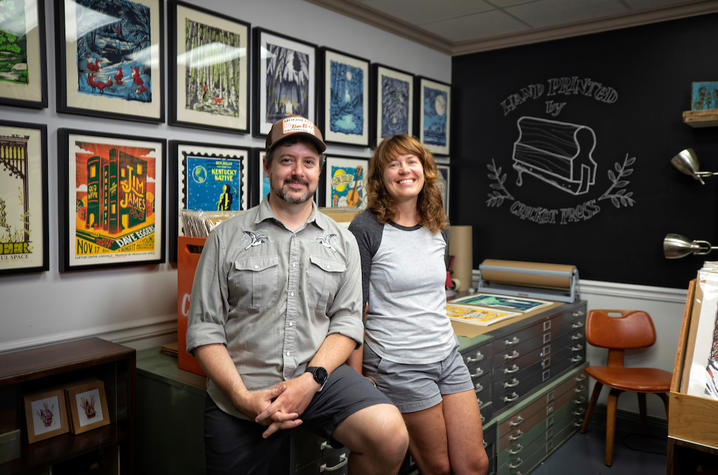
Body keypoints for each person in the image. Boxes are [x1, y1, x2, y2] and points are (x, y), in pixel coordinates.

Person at [186, 116, 409, 475]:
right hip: (244, 389)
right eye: (287, 160)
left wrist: (310, 381)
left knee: (389, 433)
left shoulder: (343, 241)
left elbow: (348, 322)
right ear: (267, 166)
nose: (297, 172)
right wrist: (244, 399)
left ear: (319, 170)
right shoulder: (225, 238)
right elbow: (204, 331)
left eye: (308, 162)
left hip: (319, 381)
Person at [348, 134, 489, 475]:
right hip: (399, 363)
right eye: (392, 164)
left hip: (446, 355)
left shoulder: (436, 224)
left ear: (425, 170)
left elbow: (434, 293)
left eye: (411, 161)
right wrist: (356, 377)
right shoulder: (366, 228)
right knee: (436, 467)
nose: (403, 170)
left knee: (474, 464)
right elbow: (353, 309)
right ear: (380, 177)